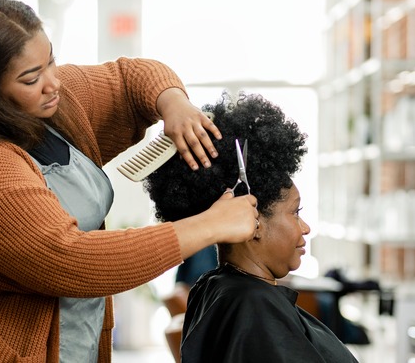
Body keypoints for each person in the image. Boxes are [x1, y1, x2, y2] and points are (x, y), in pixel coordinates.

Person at [0, 0, 259, 363]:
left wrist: (174, 103)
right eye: (31, 78)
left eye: (50, 59)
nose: (53, 83)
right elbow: (71, 260)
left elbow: (132, 78)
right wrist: (210, 227)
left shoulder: (52, 105)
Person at [143, 92, 359, 363]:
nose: (306, 228)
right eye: (296, 212)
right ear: (251, 221)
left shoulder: (213, 288)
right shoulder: (254, 306)